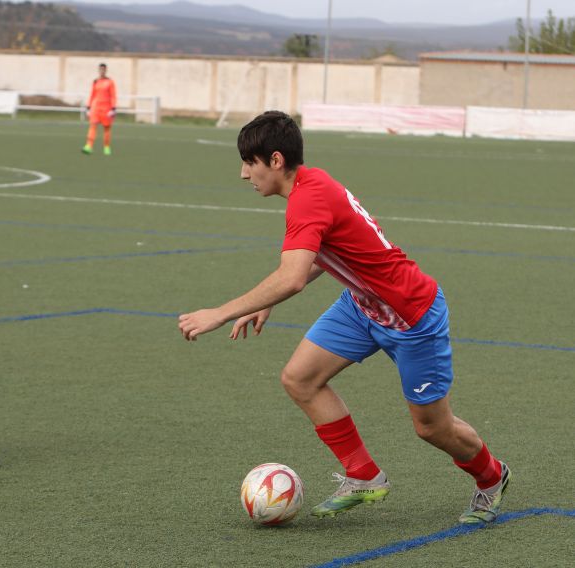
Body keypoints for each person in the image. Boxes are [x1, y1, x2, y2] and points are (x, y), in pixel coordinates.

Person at [178, 111, 509, 524]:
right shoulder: (312, 182)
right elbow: (318, 256)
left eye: (250, 162)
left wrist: (220, 313)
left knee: (432, 429)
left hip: (411, 316)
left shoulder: (308, 198)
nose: (245, 174)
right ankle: (364, 475)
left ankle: (492, 478)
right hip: (361, 306)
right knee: (299, 379)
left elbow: (293, 277)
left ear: (275, 160)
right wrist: (267, 300)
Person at [82, 62, 117, 156]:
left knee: (106, 129)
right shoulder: (95, 81)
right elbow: (92, 95)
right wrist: (88, 107)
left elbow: (113, 95)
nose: (102, 71)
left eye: (103, 69)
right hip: (96, 108)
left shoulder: (110, 82)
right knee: (92, 126)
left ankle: (106, 147)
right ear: (99, 70)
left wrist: (113, 108)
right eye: (100, 69)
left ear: (106, 70)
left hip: (107, 108)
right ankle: (88, 146)